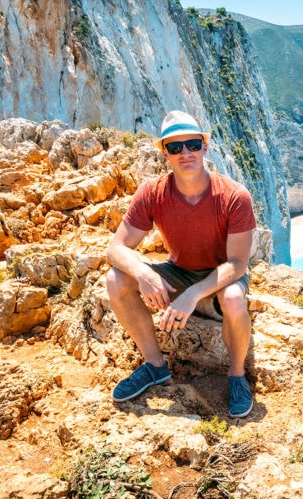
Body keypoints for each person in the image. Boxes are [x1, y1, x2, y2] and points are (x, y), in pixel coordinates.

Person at [106, 110, 257, 418]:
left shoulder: (234, 196)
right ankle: (155, 365)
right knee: (115, 280)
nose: (185, 153)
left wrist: (193, 294)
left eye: (192, 144)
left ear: (205, 146)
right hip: (180, 270)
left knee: (232, 297)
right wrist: (143, 273)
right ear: (165, 153)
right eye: (175, 147)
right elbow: (116, 248)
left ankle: (237, 375)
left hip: (222, 274)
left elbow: (238, 263)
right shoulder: (152, 192)